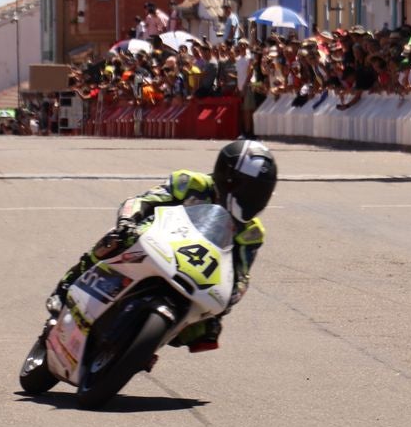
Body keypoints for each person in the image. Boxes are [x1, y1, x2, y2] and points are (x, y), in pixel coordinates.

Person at [45, 140, 277, 353]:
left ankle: (145, 345)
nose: (254, 198)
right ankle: (65, 289)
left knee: (208, 328)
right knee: (114, 240)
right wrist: (128, 220)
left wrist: (231, 296)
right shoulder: (191, 184)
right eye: (250, 190)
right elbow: (143, 200)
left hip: (195, 273)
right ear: (227, 176)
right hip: (153, 243)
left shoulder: (251, 232)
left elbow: (241, 274)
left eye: (261, 193)